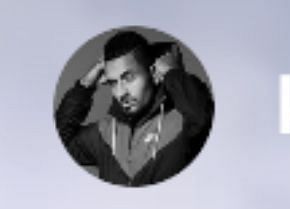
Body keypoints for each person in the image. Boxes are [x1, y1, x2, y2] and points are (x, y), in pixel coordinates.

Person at [55, 31, 213, 185]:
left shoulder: (181, 121)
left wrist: (173, 73)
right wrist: (85, 85)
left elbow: (203, 118)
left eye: (128, 78)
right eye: (113, 82)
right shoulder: (104, 132)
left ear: (154, 73)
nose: (120, 92)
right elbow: (61, 140)